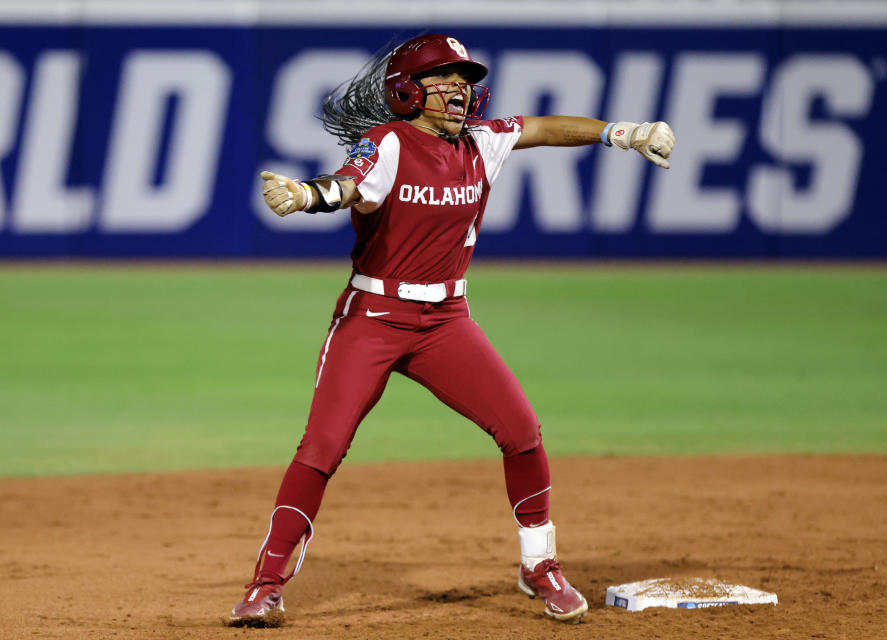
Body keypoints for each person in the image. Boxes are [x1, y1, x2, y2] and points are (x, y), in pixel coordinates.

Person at [228, 33, 675, 628]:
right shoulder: (387, 143)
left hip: (445, 322)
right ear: (407, 89)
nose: (459, 89)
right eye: (443, 77)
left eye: (464, 78)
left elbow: (542, 127)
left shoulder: (481, 143)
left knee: (521, 431)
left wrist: (619, 132)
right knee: (322, 449)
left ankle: (539, 567)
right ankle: (266, 586)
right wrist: (309, 195)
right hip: (372, 319)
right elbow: (348, 184)